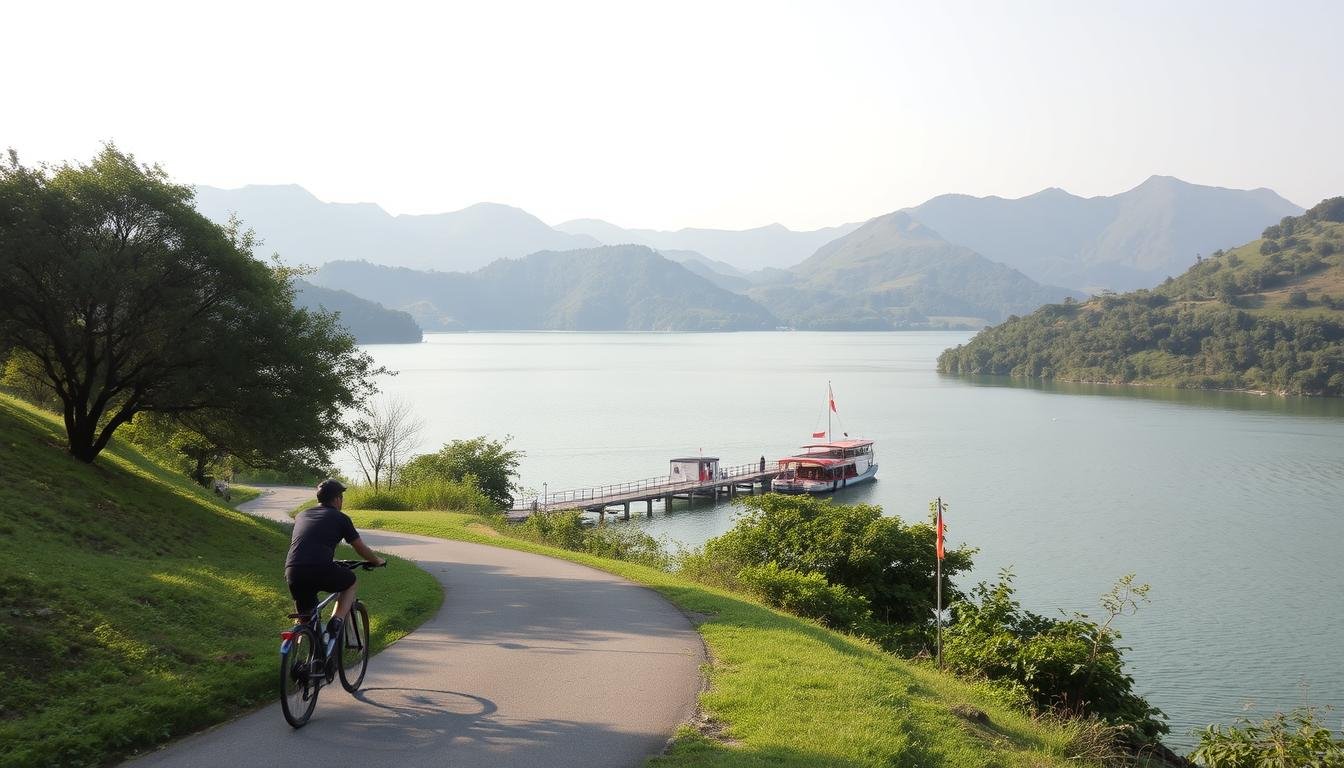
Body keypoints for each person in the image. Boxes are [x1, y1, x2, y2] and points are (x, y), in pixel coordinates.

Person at [284, 479, 385, 648]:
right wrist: (376, 560)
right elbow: (359, 547)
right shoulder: (341, 518)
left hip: (293, 570)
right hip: (320, 569)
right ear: (337, 499)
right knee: (350, 582)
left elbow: (310, 541)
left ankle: (306, 660)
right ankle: (336, 621)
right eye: (342, 497)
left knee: (307, 619)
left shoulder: (302, 515)